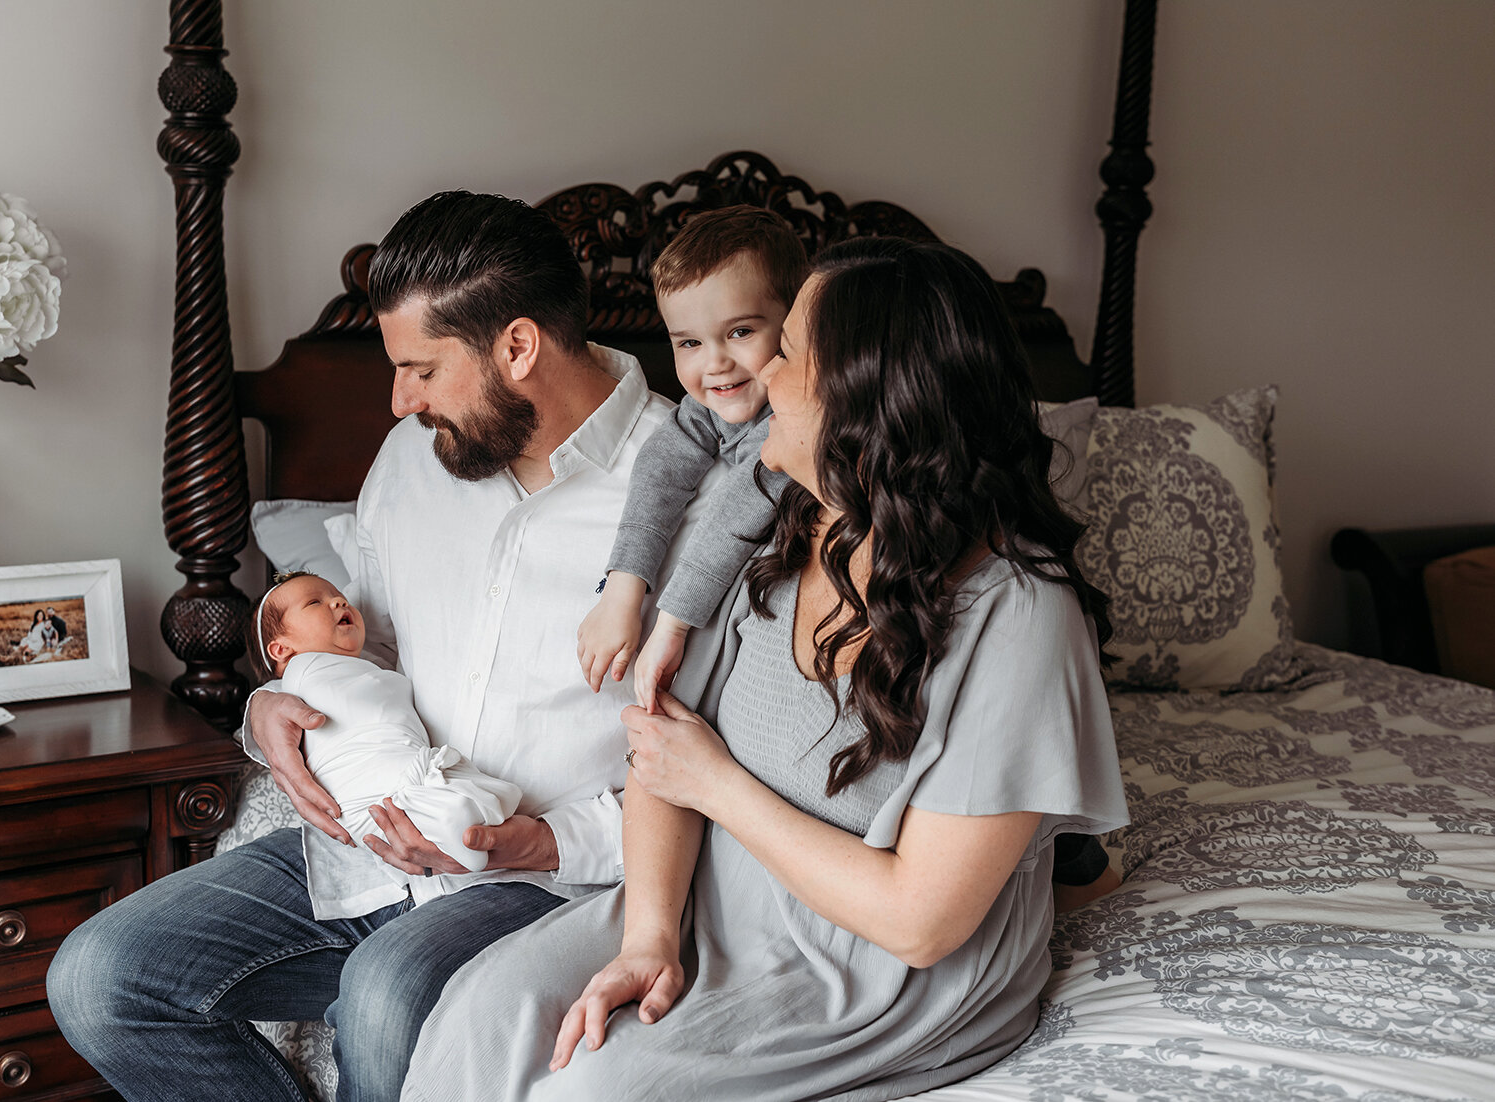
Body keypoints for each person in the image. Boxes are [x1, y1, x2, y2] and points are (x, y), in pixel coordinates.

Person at [403, 237, 1132, 1101]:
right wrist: (647, 941)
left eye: (786, 351)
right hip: (702, 899)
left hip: (877, 971)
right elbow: (661, 759)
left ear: (869, 399)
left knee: (592, 1091)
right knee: (480, 1016)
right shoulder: (780, 533)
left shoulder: (1019, 614)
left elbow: (921, 922)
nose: (758, 378)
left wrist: (720, 785)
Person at [47, 191, 717, 1102]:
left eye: (421, 369)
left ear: (517, 347)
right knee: (101, 978)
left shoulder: (689, 491)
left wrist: (540, 844)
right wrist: (272, 705)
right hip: (372, 837)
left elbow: (710, 759)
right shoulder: (412, 459)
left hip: (550, 876)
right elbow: (362, 637)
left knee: (384, 995)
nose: (399, 399)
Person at [577, 206, 800, 710]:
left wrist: (672, 622)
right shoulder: (707, 406)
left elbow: (739, 507)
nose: (715, 363)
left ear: (796, 323)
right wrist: (623, 591)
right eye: (690, 343)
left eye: (741, 332)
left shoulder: (797, 416)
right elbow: (662, 468)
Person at [247, 570, 523, 917]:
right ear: (282, 649)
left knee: (468, 807)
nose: (339, 600)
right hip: (364, 793)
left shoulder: (365, 668)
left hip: (393, 782)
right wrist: (262, 700)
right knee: (462, 811)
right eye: (315, 602)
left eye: (336, 594)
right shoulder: (302, 672)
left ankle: (460, 834)